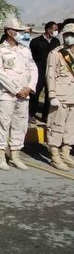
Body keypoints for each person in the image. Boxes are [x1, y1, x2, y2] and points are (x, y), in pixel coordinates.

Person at [0, 18, 38, 171]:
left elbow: (33, 69)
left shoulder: (25, 50)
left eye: (20, 31)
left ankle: (16, 155)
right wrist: (17, 89)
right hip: (7, 94)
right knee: (2, 123)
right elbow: (0, 74)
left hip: (24, 94)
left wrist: (29, 87)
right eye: (16, 31)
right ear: (8, 31)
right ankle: (0, 155)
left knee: (20, 124)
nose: (19, 33)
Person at [44, 23, 74, 171]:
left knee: (70, 127)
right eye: (67, 35)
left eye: (72, 35)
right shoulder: (56, 53)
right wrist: (52, 95)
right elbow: (50, 75)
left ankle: (66, 153)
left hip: (73, 96)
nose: (69, 38)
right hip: (60, 96)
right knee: (56, 126)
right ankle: (54, 154)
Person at [29, 21, 60, 123]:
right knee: (35, 92)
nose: (56, 31)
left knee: (49, 93)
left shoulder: (56, 42)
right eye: (54, 29)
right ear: (48, 30)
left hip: (51, 71)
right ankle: (31, 114)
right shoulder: (36, 41)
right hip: (39, 71)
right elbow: (31, 57)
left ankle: (46, 115)